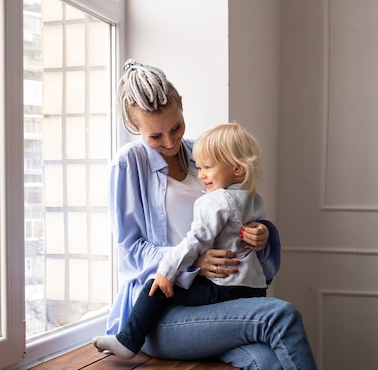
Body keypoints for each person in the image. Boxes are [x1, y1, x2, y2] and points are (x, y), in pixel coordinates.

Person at [98, 58, 318, 370]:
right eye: (155, 136)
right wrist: (193, 261)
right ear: (133, 127)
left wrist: (261, 232)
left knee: (269, 362)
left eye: (175, 127)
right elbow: (131, 253)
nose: (170, 142)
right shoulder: (129, 164)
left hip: (216, 300)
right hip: (160, 310)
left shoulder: (201, 153)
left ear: (182, 106)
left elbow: (235, 209)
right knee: (280, 315)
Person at [93, 122, 269, 359]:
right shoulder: (253, 198)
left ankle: (128, 340)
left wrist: (167, 271)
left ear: (237, 169)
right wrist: (263, 229)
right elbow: (256, 225)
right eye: (200, 167)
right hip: (254, 287)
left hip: (224, 286)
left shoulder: (216, 200)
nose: (202, 174)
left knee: (155, 288)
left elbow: (195, 240)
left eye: (207, 168)